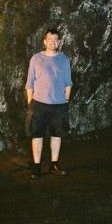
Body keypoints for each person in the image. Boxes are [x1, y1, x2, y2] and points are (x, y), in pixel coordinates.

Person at [25, 28, 73, 179]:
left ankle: (54, 164)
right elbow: (29, 82)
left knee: (57, 135)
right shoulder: (36, 58)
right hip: (38, 103)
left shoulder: (64, 60)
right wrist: (30, 101)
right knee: (37, 136)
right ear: (44, 41)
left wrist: (66, 101)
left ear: (59, 42)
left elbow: (68, 83)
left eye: (55, 39)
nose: (53, 42)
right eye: (50, 39)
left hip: (59, 104)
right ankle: (37, 166)